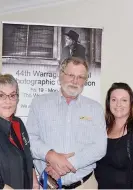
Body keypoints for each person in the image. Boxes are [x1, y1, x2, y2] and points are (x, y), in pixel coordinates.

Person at [26, 57, 107, 189]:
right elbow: (30, 139)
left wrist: (65, 164)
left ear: (85, 80)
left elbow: (99, 147)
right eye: (71, 75)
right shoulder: (39, 103)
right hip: (48, 185)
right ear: (61, 75)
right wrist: (50, 156)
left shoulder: (95, 109)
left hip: (84, 185)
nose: (75, 81)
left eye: (81, 77)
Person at [95, 82, 133, 189]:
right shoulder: (102, 128)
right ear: (108, 103)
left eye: (124, 100)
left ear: (131, 103)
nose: (118, 104)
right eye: (114, 100)